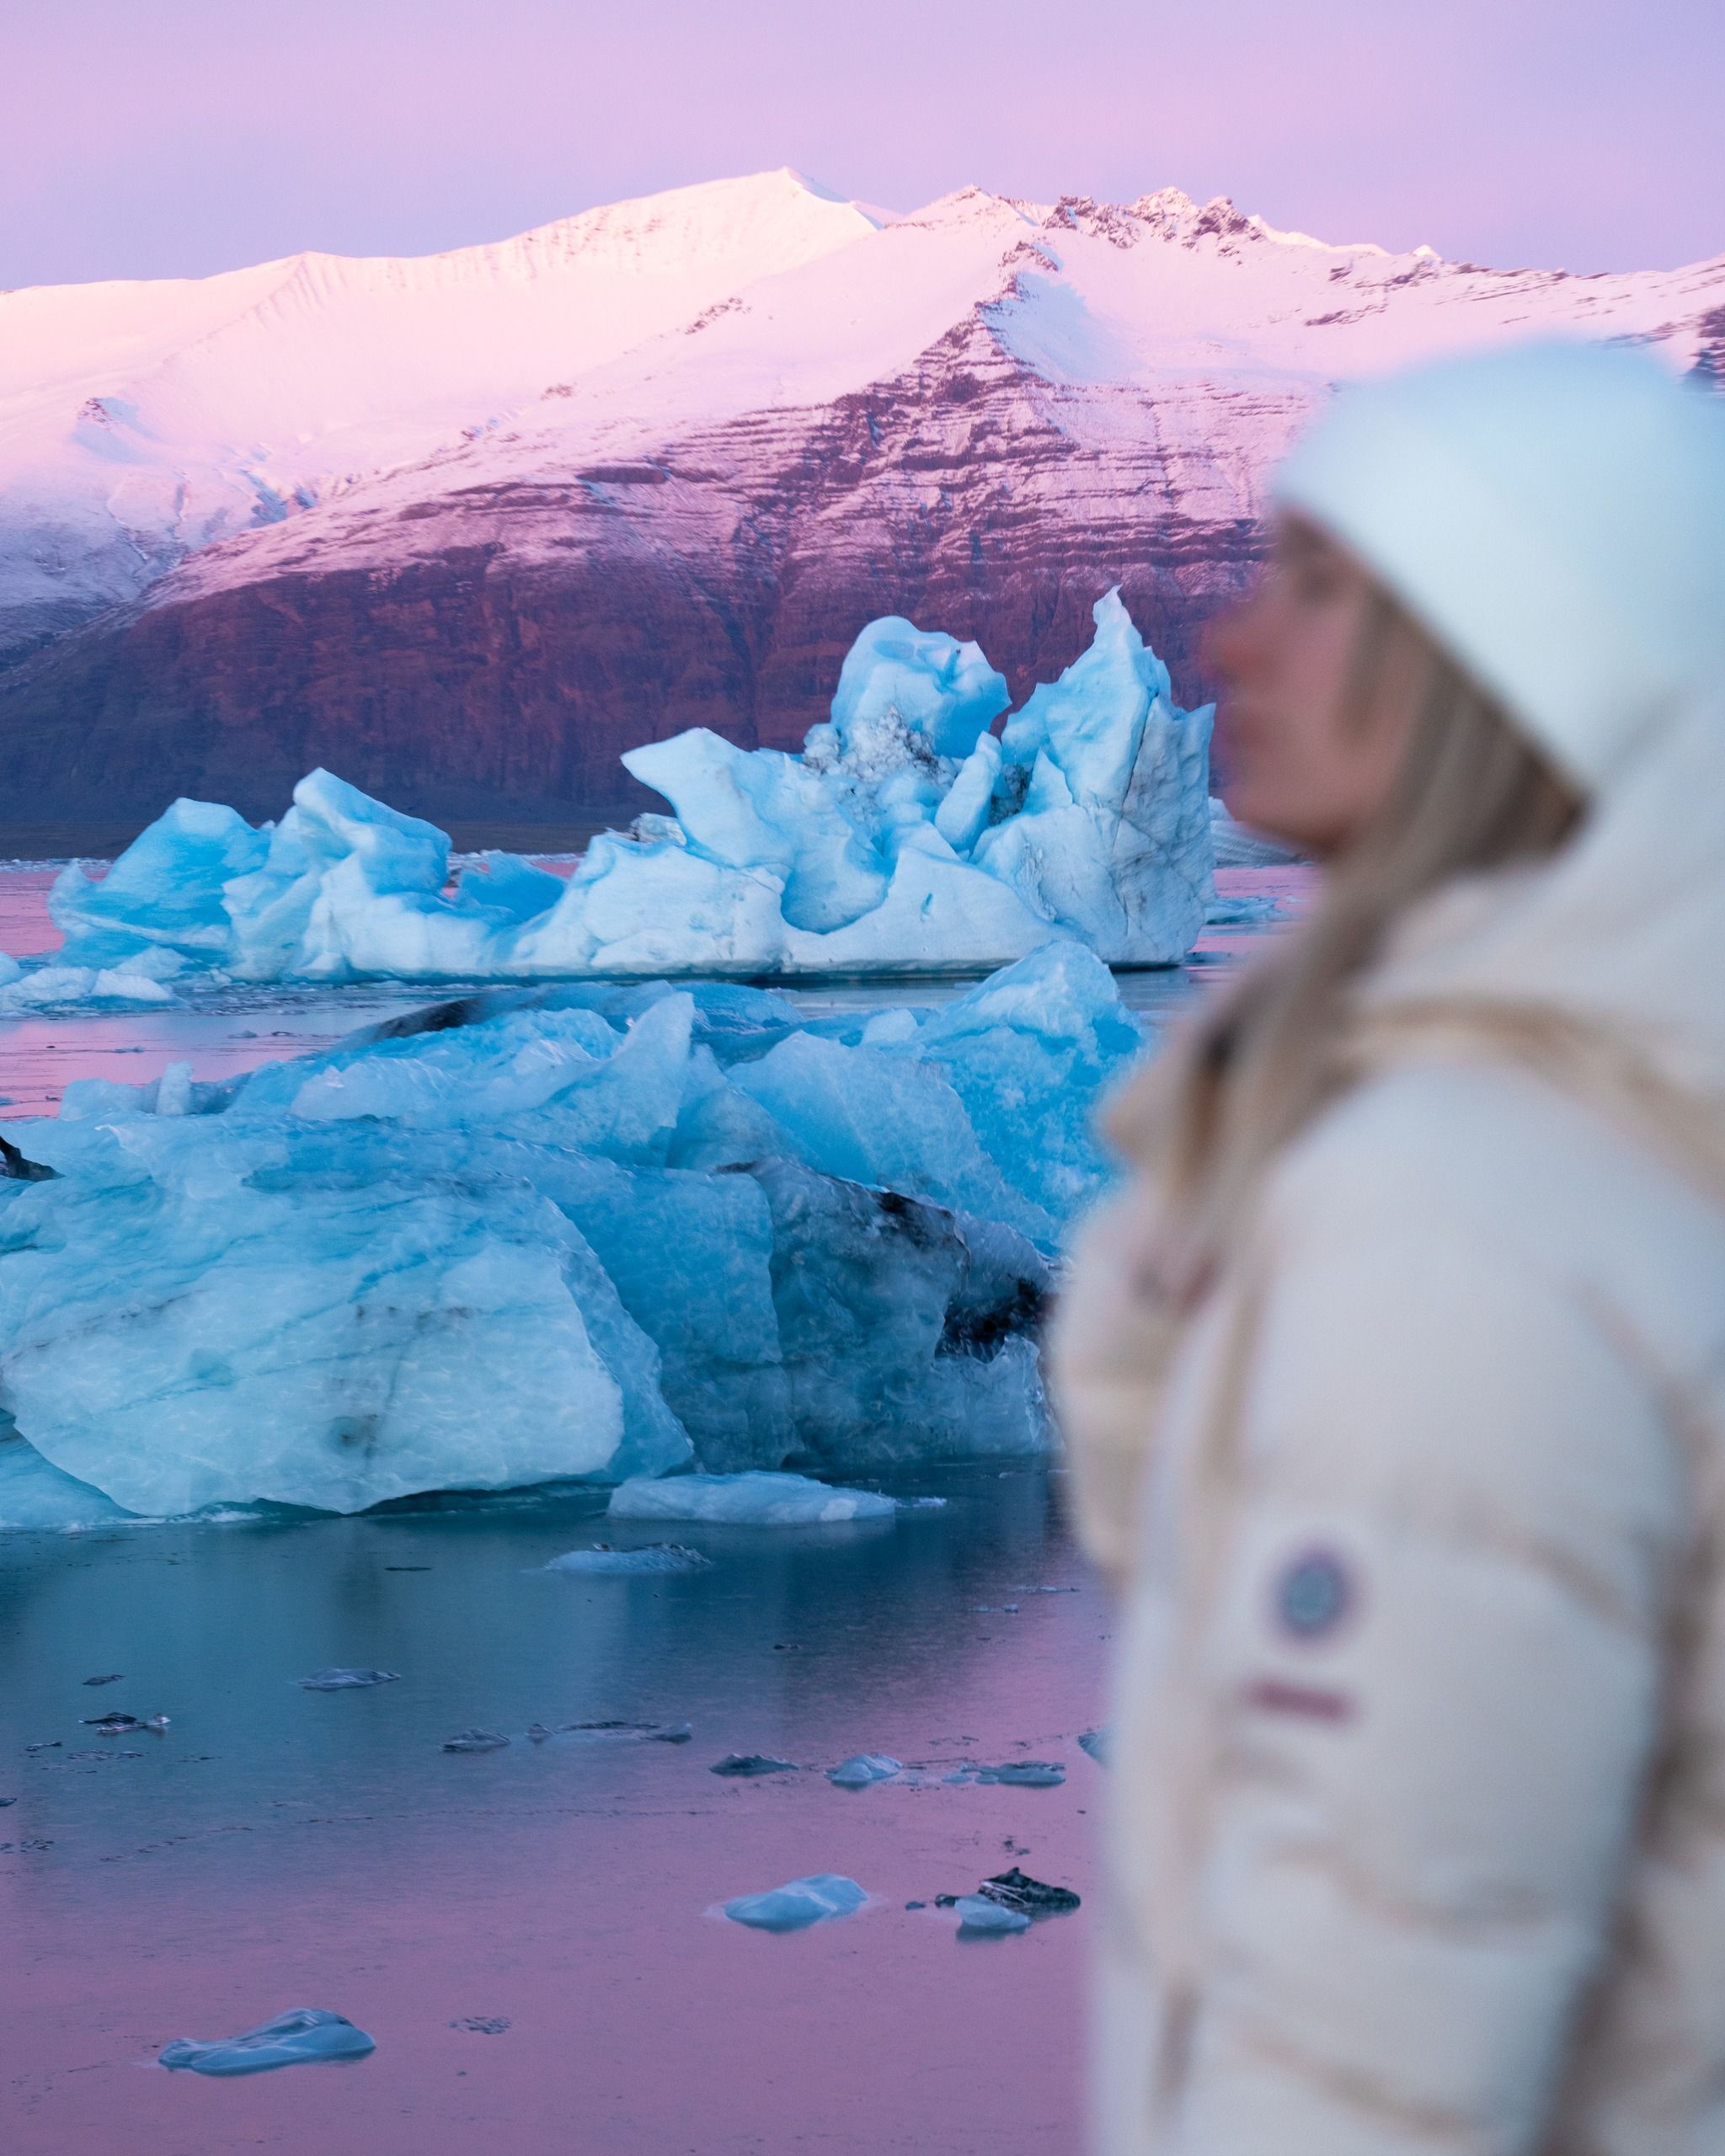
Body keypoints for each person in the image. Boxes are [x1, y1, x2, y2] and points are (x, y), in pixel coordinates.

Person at [1050, 339, 1725, 2155]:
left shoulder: (1458, 1214)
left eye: (1323, 588)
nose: (1232, 648)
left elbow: (1373, 2015)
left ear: (1505, 660)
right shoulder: (1614, 1124)